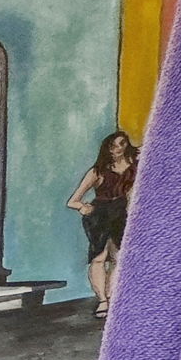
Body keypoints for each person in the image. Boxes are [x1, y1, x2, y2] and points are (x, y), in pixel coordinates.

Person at [67, 130, 136, 319]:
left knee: (118, 257)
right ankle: (102, 300)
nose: (118, 148)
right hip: (100, 215)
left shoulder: (133, 167)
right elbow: (72, 201)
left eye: (122, 143)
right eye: (114, 145)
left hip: (121, 214)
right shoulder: (98, 171)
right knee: (99, 257)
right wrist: (83, 207)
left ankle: (112, 296)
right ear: (107, 149)